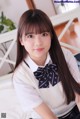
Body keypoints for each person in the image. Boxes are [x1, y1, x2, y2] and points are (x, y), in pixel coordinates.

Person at [13, 9, 80, 119]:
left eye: (44, 34)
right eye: (30, 36)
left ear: (51, 36)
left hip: (74, 110)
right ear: (21, 40)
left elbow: (78, 94)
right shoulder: (20, 76)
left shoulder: (65, 55)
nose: (38, 42)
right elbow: (49, 116)